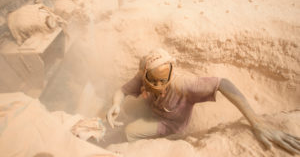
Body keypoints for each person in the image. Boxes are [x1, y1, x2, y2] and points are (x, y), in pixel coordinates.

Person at [106, 48, 300, 155]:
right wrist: (116, 103)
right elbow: (122, 91)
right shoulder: (143, 76)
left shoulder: (184, 84)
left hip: (170, 125)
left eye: (163, 80)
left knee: (129, 131)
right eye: (153, 80)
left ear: (172, 72)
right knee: (130, 108)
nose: (158, 84)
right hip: (154, 109)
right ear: (144, 74)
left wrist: (257, 122)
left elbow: (223, 83)